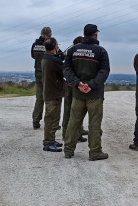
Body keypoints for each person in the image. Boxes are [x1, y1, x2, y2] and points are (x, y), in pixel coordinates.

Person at [63, 24, 110, 161]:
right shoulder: (101, 51)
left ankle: (68, 150)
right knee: (94, 123)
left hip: (78, 94)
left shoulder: (73, 50)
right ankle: (95, 151)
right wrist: (91, 85)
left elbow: (67, 69)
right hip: (94, 95)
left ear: (84, 34)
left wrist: (78, 84)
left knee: (74, 122)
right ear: (95, 34)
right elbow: (104, 71)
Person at [62, 36, 88, 143]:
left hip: (69, 82)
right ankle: (71, 134)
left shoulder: (68, 51)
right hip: (73, 83)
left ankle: (72, 133)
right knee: (73, 109)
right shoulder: (76, 52)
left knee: (72, 109)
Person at [41, 37, 65, 152]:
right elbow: (64, 70)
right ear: (55, 46)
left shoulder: (46, 57)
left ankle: (51, 139)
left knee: (54, 117)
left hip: (50, 91)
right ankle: (48, 142)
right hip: (53, 93)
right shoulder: (54, 60)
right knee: (50, 118)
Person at [30, 27, 51, 129]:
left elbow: (33, 56)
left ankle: (36, 120)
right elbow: (57, 55)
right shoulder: (50, 43)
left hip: (38, 73)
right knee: (50, 98)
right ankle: (50, 121)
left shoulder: (35, 44)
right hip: (48, 74)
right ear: (50, 34)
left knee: (39, 98)